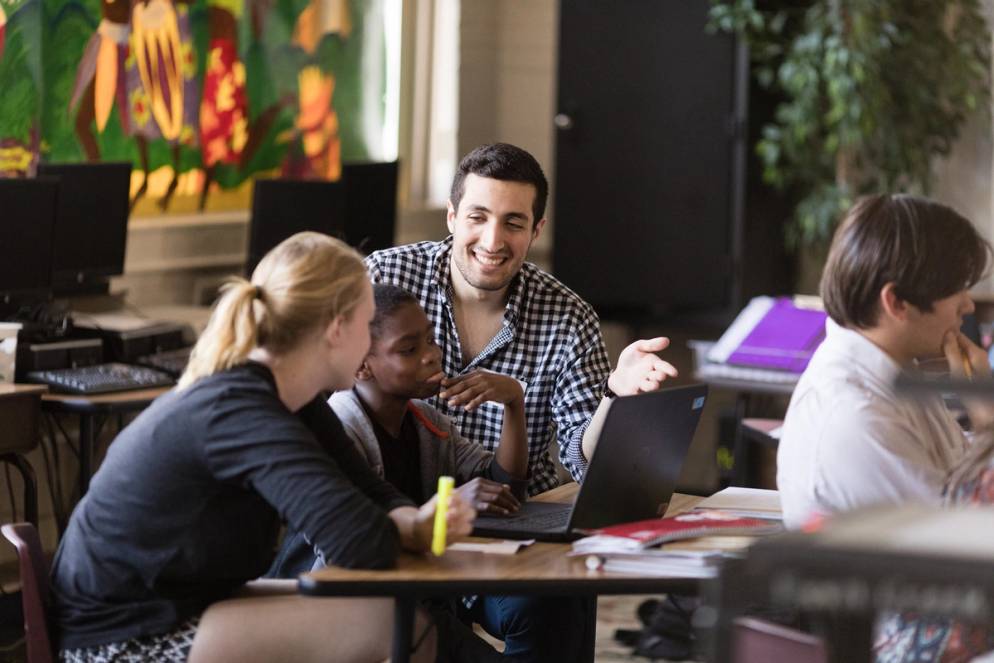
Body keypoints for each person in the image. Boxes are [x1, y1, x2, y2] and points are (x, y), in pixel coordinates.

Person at [50, 232, 474, 662]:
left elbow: (372, 493)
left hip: (178, 605)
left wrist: (417, 521)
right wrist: (410, 529)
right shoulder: (243, 410)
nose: (368, 347)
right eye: (367, 327)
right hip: (121, 638)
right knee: (402, 628)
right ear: (336, 329)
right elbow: (357, 543)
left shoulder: (292, 398)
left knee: (402, 618)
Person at [272, 284, 596, 662]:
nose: (431, 356)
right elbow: (350, 550)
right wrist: (449, 505)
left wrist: (513, 403)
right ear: (361, 364)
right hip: (347, 606)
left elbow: (506, 489)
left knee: (563, 597)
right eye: (409, 349)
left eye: (430, 339)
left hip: (419, 597)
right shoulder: (341, 428)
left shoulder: (428, 423)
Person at [365, 142, 677, 495]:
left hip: (516, 516)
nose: (493, 241)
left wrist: (614, 394)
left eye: (513, 223)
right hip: (400, 512)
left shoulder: (569, 318)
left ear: (536, 231)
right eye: (477, 217)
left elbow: (584, 464)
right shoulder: (384, 276)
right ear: (452, 217)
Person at [776, 193, 994, 529]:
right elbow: (965, 534)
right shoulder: (858, 414)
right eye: (957, 290)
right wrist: (986, 419)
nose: (967, 307)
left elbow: (955, 471)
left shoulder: (895, 370)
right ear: (897, 302)